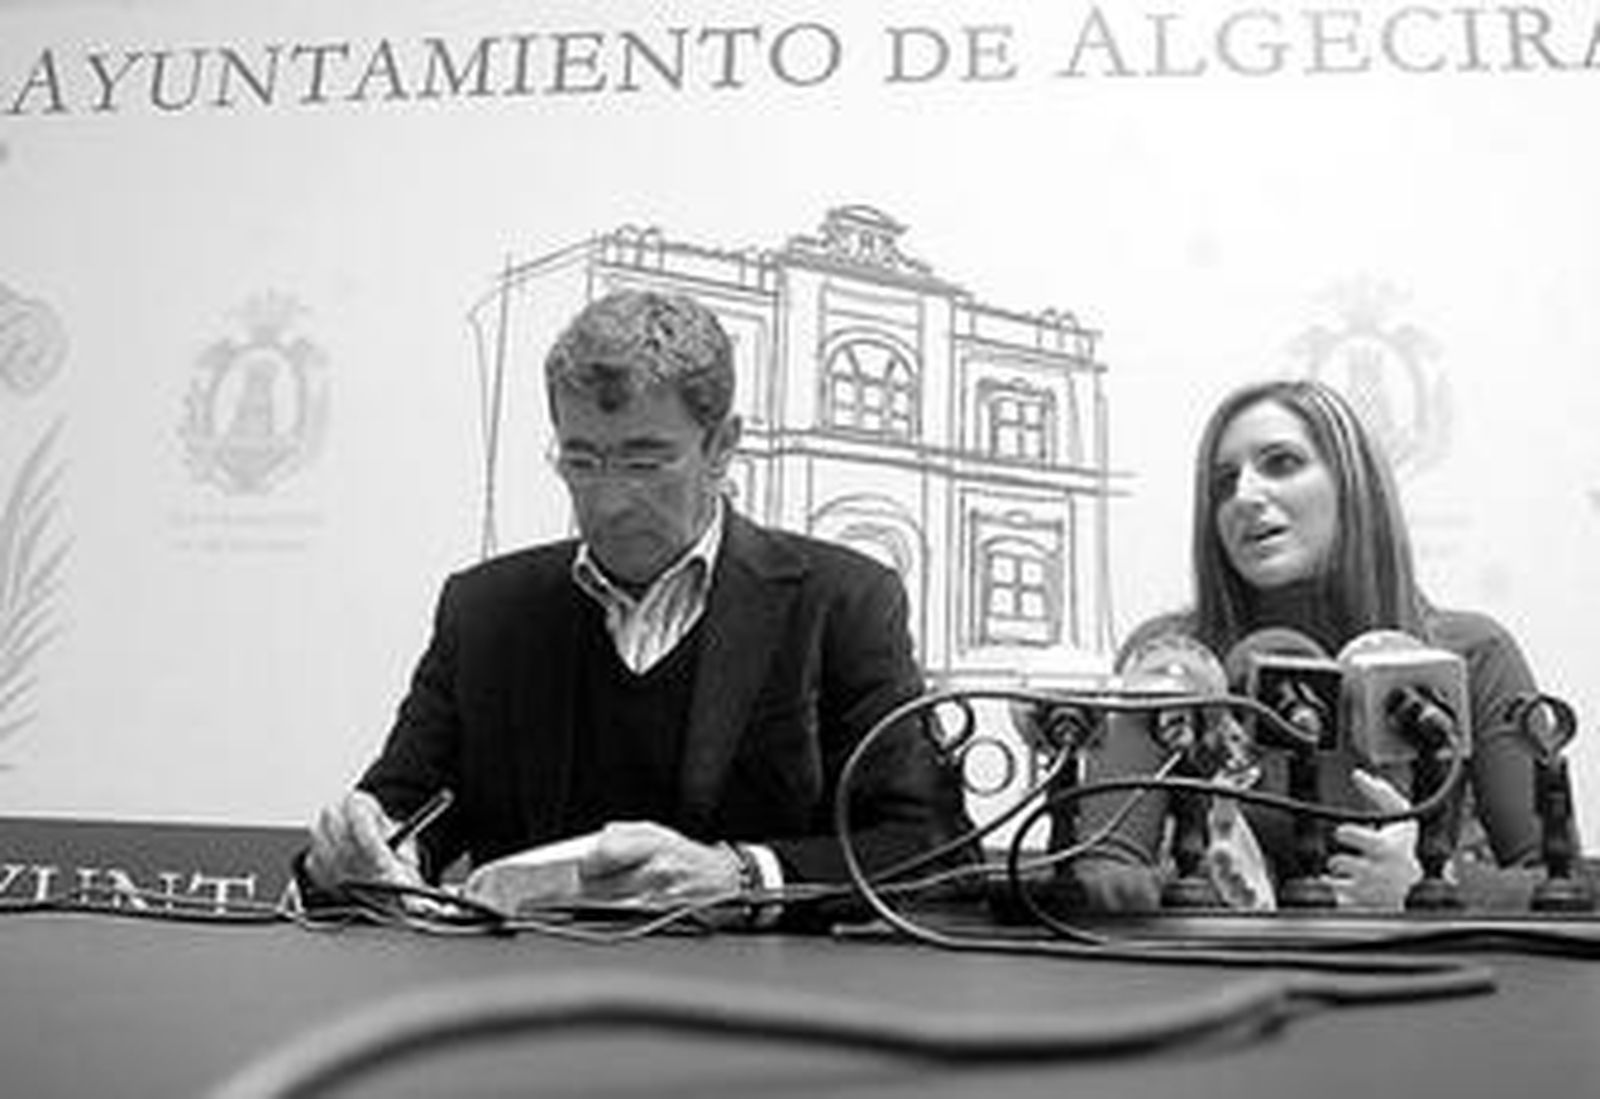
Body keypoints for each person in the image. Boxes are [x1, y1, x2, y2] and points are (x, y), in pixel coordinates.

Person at [302, 288, 969, 919]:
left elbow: (929, 847)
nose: (609, 501)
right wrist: (356, 854)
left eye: (646, 462)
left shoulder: (842, 603)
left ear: (721, 447)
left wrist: (742, 877)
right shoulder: (486, 613)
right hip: (523, 1010)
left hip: (760, 1015)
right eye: (582, 461)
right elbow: (397, 820)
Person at [1066, 378, 1558, 910]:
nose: (1245, 497)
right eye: (1224, 483)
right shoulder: (1175, 661)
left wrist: (1428, 887)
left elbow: (1561, 885)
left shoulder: (1475, 652)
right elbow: (1107, 871)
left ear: (1353, 485)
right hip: (1226, 980)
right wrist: (1189, 883)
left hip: (1425, 977)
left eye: (1281, 463)